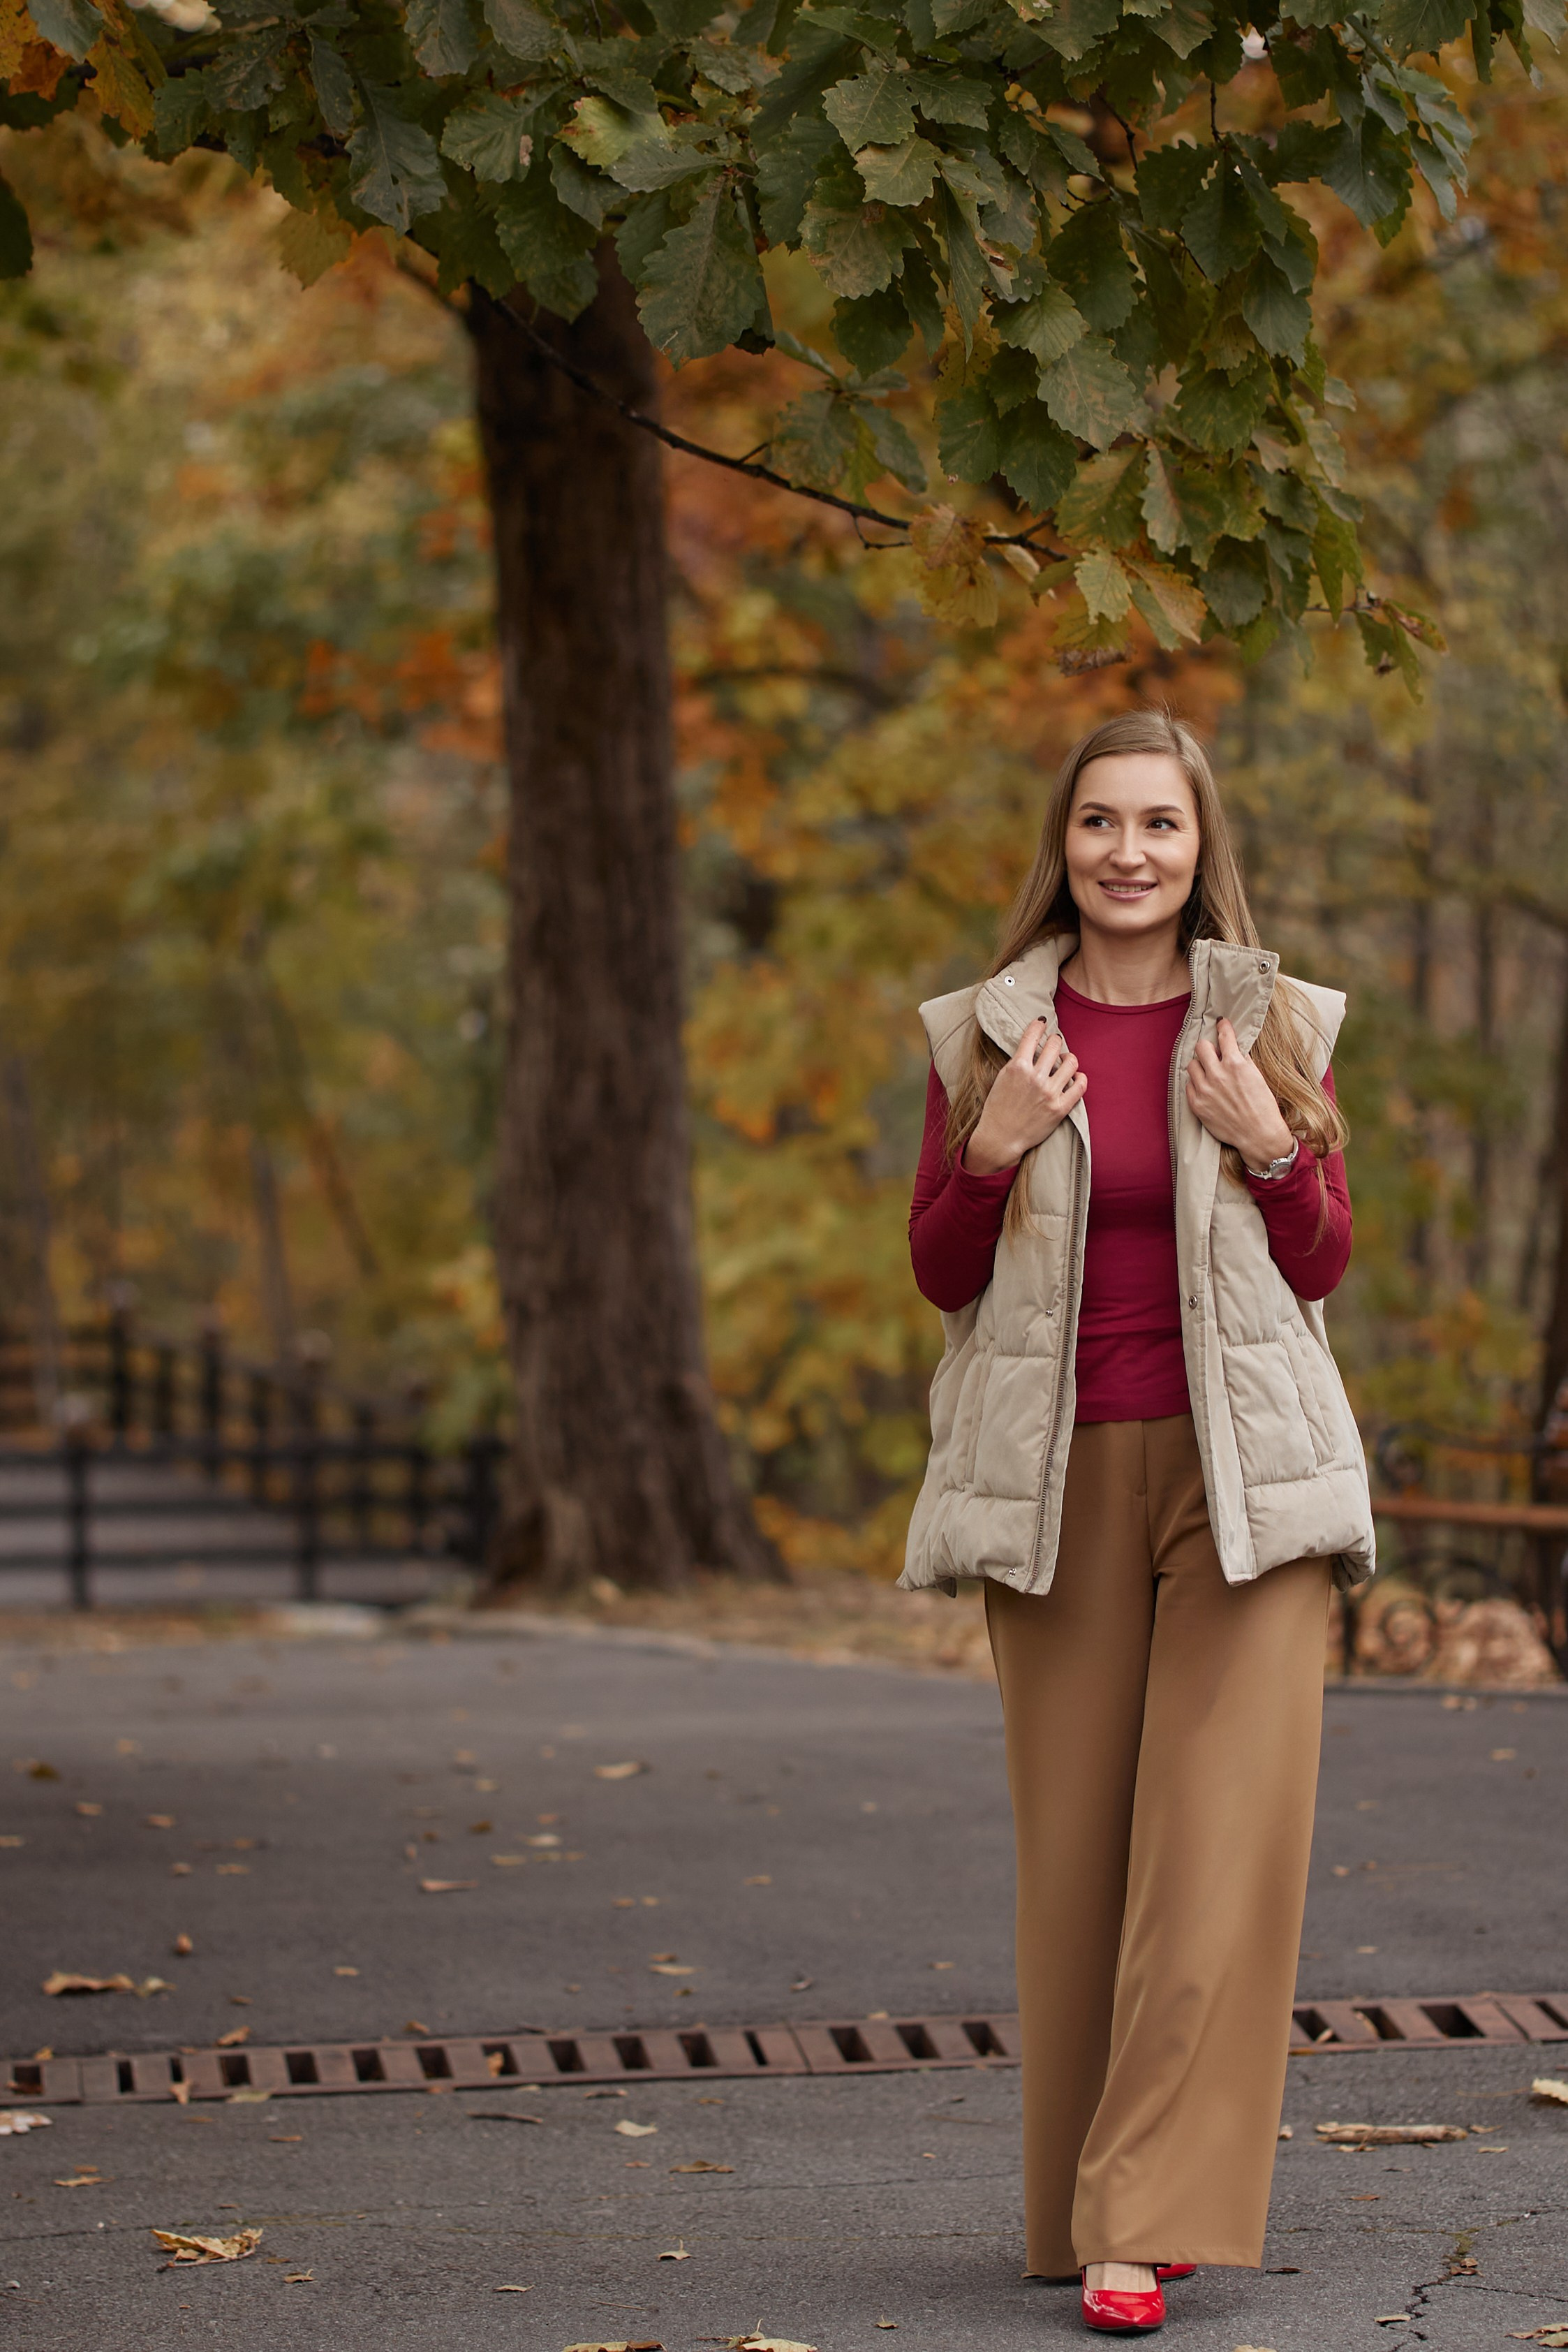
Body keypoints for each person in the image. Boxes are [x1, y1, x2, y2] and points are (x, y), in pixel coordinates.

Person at [901, 707, 1375, 2337]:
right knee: (1080, 1862)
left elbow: (1320, 1262)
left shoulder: (1267, 1024)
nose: (1127, 852)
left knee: (1211, 1851)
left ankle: (1139, 2219)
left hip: (1250, 1480)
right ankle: (1080, 2207)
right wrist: (994, 1148)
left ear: (1198, 848)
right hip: (1056, 1481)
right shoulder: (988, 1031)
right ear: (1066, 844)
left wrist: (1264, 1145)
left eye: (1159, 825)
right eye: (1100, 822)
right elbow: (940, 1270)